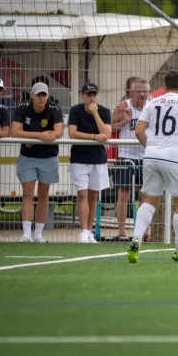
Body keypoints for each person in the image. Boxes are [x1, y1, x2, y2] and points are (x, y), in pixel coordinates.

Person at [127, 70, 178, 263]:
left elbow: (139, 131)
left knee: (149, 201)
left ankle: (136, 238)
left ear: (165, 86)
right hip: (175, 158)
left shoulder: (152, 103)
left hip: (152, 156)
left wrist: (151, 147)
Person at [11, 82, 63, 243]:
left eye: (44, 95)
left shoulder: (54, 109)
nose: (41, 98)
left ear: (47, 96)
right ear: (32, 95)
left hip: (49, 156)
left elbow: (58, 133)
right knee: (27, 193)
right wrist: (38, 136)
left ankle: (39, 235)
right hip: (27, 156)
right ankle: (26, 235)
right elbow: (14, 132)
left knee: (44, 194)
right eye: (38, 95)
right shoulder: (22, 107)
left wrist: (28, 136)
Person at [68, 83, 112, 243]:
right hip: (79, 158)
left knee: (94, 195)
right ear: (82, 96)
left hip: (98, 159)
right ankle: (84, 230)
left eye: (94, 94)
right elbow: (72, 133)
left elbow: (107, 133)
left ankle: (89, 231)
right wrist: (93, 137)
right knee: (82, 194)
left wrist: (95, 114)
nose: (92, 97)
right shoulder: (75, 110)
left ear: (98, 95)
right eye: (88, 94)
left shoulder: (105, 111)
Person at [111, 78, 151, 241]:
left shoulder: (152, 106)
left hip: (146, 155)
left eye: (144, 91)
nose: (142, 95)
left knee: (145, 195)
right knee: (124, 194)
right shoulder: (123, 107)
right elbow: (109, 128)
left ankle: (144, 231)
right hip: (126, 155)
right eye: (138, 91)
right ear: (131, 92)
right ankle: (121, 232)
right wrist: (124, 121)